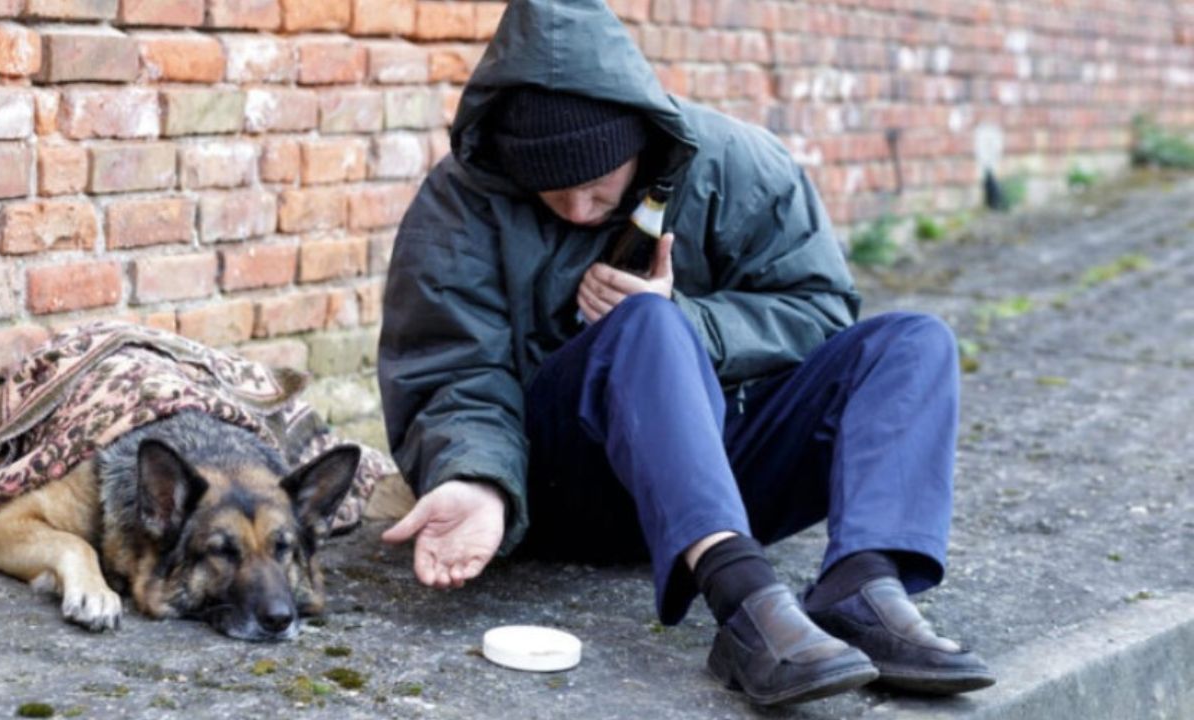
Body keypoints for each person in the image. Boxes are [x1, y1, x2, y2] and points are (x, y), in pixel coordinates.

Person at [377, 0, 995, 707]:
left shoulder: (738, 163)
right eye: (552, 191)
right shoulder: (460, 203)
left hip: (722, 475)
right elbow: (452, 370)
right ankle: (743, 606)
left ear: (642, 135)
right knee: (645, 325)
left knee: (912, 342)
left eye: (596, 183)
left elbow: (820, 312)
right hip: (563, 484)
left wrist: (693, 321)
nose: (578, 209)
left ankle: (863, 585)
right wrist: (476, 479)